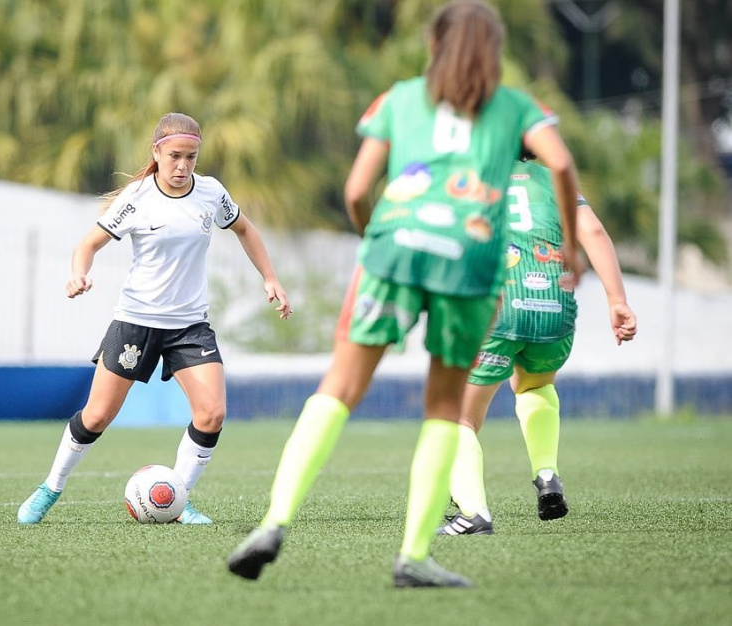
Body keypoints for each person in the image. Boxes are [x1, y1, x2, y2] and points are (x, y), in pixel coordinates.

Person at [227, 0, 585, 588]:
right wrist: (570, 249)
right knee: (445, 407)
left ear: (433, 46)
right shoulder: (517, 107)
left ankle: (274, 521)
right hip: (469, 257)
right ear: (495, 52)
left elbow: (357, 187)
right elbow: (563, 166)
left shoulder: (398, 97)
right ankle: (413, 556)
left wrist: (376, 234)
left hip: (395, 248)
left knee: (338, 388)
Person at [17, 112, 292, 526]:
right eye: (175, 156)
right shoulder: (137, 197)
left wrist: (270, 278)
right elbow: (88, 244)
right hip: (136, 322)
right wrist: (78, 273)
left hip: (189, 325)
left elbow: (245, 230)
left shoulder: (211, 193)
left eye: (192, 158)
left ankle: (178, 497)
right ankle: (50, 488)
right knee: (96, 416)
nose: (183, 166)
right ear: (157, 152)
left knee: (212, 413)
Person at [438, 153, 637, 536]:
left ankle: (474, 514)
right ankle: (546, 474)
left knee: (458, 416)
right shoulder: (554, 178)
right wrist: (617, 299)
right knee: (535, 385)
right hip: (554, 305)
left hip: (497, 307)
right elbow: (593, 232)